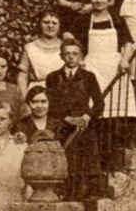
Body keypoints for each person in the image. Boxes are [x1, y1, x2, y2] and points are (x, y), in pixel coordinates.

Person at [81, 0, 136, 159]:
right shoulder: (84, 21)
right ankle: (98, 154)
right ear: (90, 0)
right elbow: (77, 44)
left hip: (113, 67)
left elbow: (127, 43)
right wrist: (81, 61)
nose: (98, 1)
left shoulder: (117, 20)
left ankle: (114, 153)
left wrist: (125, 60)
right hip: (93, 68)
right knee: (95, 109)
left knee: (115, 110)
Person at [45, 37, 104, 202]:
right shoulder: (53, 77)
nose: (71, 57)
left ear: (81, 56)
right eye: (67, 54)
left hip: (84, 128)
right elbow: (50, 104)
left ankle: (84, 203)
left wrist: (87, 117)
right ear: (61, 56)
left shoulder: (88, 77)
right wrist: (67, 119)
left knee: (85, 168)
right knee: (65, 165)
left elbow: (99, 103)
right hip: (62, 127)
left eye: (75, 54)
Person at [18, 11, 66, 94]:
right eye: (46, 22)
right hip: (36, 93)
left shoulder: (66, 47)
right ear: (40, 24)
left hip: (62, 92)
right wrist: (24, 98)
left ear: (59, 26)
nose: (50, 26)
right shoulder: (30, 48)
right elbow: (23, 76)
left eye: (54, 23)